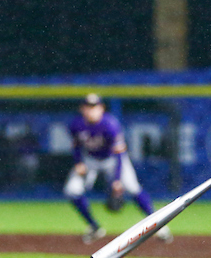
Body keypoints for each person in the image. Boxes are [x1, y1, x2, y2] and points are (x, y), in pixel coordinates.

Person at [66, 93, 173, 245]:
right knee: (72, 190)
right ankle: (94, 227)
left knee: (132, 188)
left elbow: (119, 155)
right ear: (82, 109)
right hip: (89, 160)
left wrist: (116, 180)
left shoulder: (110, 125)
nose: (91, 110)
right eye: (88, 107)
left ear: (101, 108)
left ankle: (159, 226)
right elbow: (76, 146)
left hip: (113, 160)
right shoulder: (76, 125)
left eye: (95, 107)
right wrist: (78, 162)